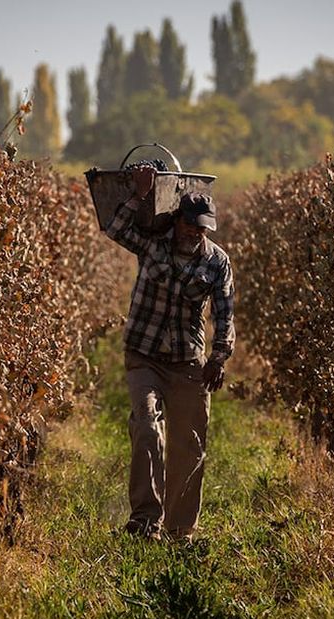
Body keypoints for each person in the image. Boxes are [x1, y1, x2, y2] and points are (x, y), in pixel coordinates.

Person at [102, 163, 235, 542]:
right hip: (144, 354)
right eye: (191, 225)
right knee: (147, 429)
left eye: (203, 228)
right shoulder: (152, 243)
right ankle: (145, 522)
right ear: (177, 221)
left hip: (188, 361)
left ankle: (180, 531)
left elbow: (225, 313)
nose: (196, 233)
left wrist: (219, 356)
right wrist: (139, 195)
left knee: (189, 445)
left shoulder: (217, 262)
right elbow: (115, 229)